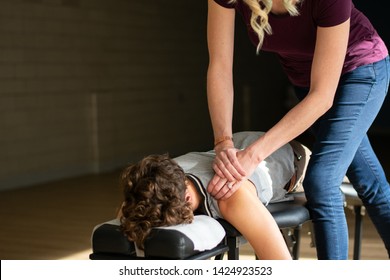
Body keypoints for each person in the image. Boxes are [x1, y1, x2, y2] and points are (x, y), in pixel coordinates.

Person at [206, 0, 390, 259]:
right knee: (369, 181)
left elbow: (323, 96)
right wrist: (223, 141)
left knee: (322, 181)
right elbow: (220, 67)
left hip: (359, 70)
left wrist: (252, 155)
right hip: (307, 82)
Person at [118, 131, 310, 260]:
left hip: (293, 154)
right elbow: (129, 209)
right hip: (238, 142)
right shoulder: (159, 176)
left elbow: (281, 264)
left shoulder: (231, 197)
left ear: (186, 200)